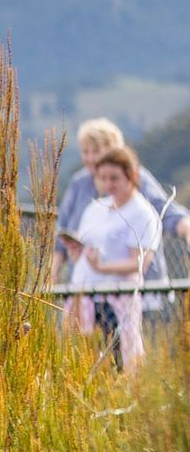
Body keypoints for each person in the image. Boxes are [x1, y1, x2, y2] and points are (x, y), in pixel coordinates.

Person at [58, 118, 186, 296]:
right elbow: (62, 229)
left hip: (134, 291)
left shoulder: (136, 180)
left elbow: (168, 212)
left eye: (96, 151)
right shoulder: (80, 183)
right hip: (85, 288)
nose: (90, 158)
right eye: (85, 151)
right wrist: (52, 275)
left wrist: (186, 230)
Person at [66, 143, 163, 372]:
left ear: (131, 176)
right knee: (80, 361)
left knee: (117, 363)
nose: (108, 184)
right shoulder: (96, 208)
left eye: (114, 178)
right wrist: (77, 252)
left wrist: (103, 267)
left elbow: (139, 263)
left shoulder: (142, 213)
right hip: (83, 296)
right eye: (103, 178)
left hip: (116, 301)